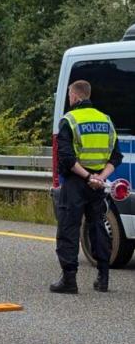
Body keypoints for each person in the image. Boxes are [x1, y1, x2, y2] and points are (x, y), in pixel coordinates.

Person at [51, 80, 123, 294]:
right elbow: (116, 156)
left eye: (69, 96)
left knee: (69, 228)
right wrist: (100, 178)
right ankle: (103, 278)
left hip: (76, 182)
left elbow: (66, 158)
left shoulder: (69, 120)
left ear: (75, 96)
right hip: (98, 184)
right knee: (98, 228)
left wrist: (87, 176)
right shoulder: (106, 120)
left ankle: (69, 280)